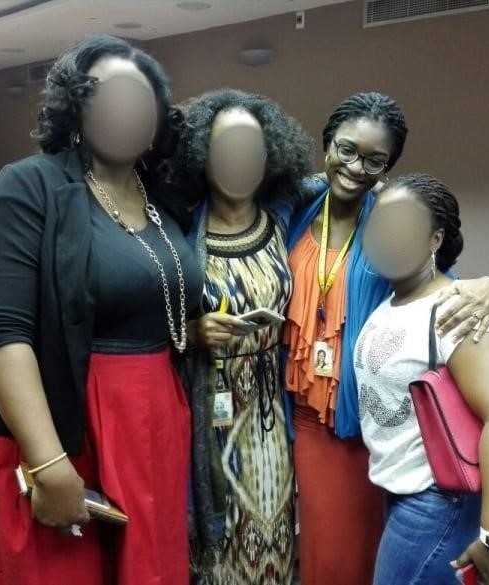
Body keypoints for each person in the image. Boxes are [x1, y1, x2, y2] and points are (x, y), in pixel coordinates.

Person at [0, 35, 203, 585]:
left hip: (150, 420)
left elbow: (147, 294)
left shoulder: (160, 199)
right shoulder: (29, 186)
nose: (126, 109)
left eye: (140, 98)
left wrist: (192, 329)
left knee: (147, 567)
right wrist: (47, 463)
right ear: (75, 106)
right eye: (108, 95)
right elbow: (3, 331)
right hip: (61, 417)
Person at [283, 92, 489, 584]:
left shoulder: (388, 218)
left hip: (367, 426)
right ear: (327, 144)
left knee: (360, 556)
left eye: (374, 159)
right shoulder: (299, 207)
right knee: (317, 549)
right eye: (346, 149)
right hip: (298, 417)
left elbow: (443, 284)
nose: (355, 167)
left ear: (388, 166)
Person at [169, 88, 313, 584]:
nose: (239, 161)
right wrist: (191, 332)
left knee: (278, 528)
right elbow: (140, 327)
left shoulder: (283, 213)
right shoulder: (178, 231)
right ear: (202, 158)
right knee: (219, 538)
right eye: (225, 148)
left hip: (274, 411)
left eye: (252, 149)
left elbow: (346, 187)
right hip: (213, 412)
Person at [356, 173, 489, 584]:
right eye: (380, 224)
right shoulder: (395, 296)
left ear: (434, 240)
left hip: (438, 503)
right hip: (404, 492)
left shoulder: (455, 310)